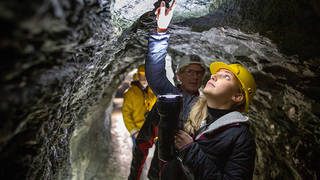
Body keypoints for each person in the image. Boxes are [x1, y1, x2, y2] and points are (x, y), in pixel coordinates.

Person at [150, 1, 256, 179]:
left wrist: (190, 151)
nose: (213, 76)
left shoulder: (241, 137)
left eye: (226, 77)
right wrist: (161, 31)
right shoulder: (190, 104)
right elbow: (157, 78)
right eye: (216, 74)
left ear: (238, 96)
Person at [128, 1, 206, 179]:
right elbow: (143, 141)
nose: (195, 77)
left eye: (199, 72)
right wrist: (161, 31)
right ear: (179, 75)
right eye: (189, 72)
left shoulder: (207, 106)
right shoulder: (169, 100)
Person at [122, 64, 157, 151]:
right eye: (142, 76)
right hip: (139, 131)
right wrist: (134, 132)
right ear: (138, 76)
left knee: (161, 157)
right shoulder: (130, 93)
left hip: (154, 130)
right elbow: (126, 114)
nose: (145, 79)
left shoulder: (154, 91)